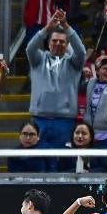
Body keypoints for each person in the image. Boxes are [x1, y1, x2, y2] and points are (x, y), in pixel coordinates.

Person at [26, 10, 86, 167]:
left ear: (67, 45)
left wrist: (66, 27)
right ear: (49, 42)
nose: (58, 44)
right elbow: (30, 48)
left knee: (63, 161)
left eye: (62, 42)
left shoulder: (74, 63)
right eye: (54, 41)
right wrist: (47, 28)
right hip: (39, 118)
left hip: (64, 120)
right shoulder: (38, 59)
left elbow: (81, 51)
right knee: (38, 160)